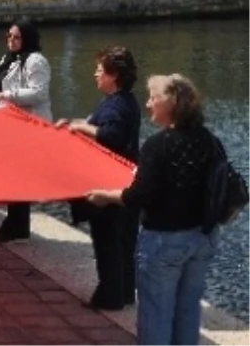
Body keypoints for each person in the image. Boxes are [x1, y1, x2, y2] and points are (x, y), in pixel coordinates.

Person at [86, 74, 220, 346]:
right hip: (203, 237)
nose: (147, 104)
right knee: (188, 311)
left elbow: (138, 195)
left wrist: (105, 196)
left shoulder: (158, 145)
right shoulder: (210, 141)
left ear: (169, 104)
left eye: (152, 98)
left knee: (156, 313)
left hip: (165, 240)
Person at [56, 46, 141, 311]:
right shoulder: (123, 100)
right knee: (124, 242)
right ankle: (125, 292)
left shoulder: (117, 106)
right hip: (126, 181)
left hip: (110, 184)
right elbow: (101, 124)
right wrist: (76, 122)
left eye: (99, 70)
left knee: (108, 241)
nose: (95, 74)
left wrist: (80, 127)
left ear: (113, 75)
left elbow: (111, 136)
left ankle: (110, 297)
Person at [0, 21, 51, 243]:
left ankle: (18, 225)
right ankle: (14, 222)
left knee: (21, 175)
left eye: (16, 37)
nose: (11, 41)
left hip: (29, 125)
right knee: (12, 174)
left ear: (27, 38)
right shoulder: (8, 59)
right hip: (11, 125)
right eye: (8, 36)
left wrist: (8, 95)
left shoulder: (36, 61)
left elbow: (39, 93)